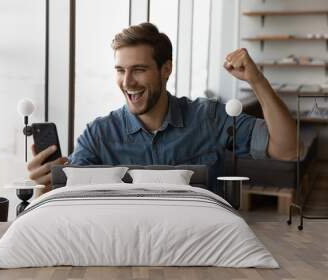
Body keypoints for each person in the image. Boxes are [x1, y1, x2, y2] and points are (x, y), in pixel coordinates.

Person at [27, 22, 298, 195]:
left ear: (166, 69)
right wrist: (45, 184)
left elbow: (287, 150)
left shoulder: (209, 117)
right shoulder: (98, 134)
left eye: (139, 70)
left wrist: (257, 79)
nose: (127, 82)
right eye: (120, 70)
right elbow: (66, 199)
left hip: (200, 244)